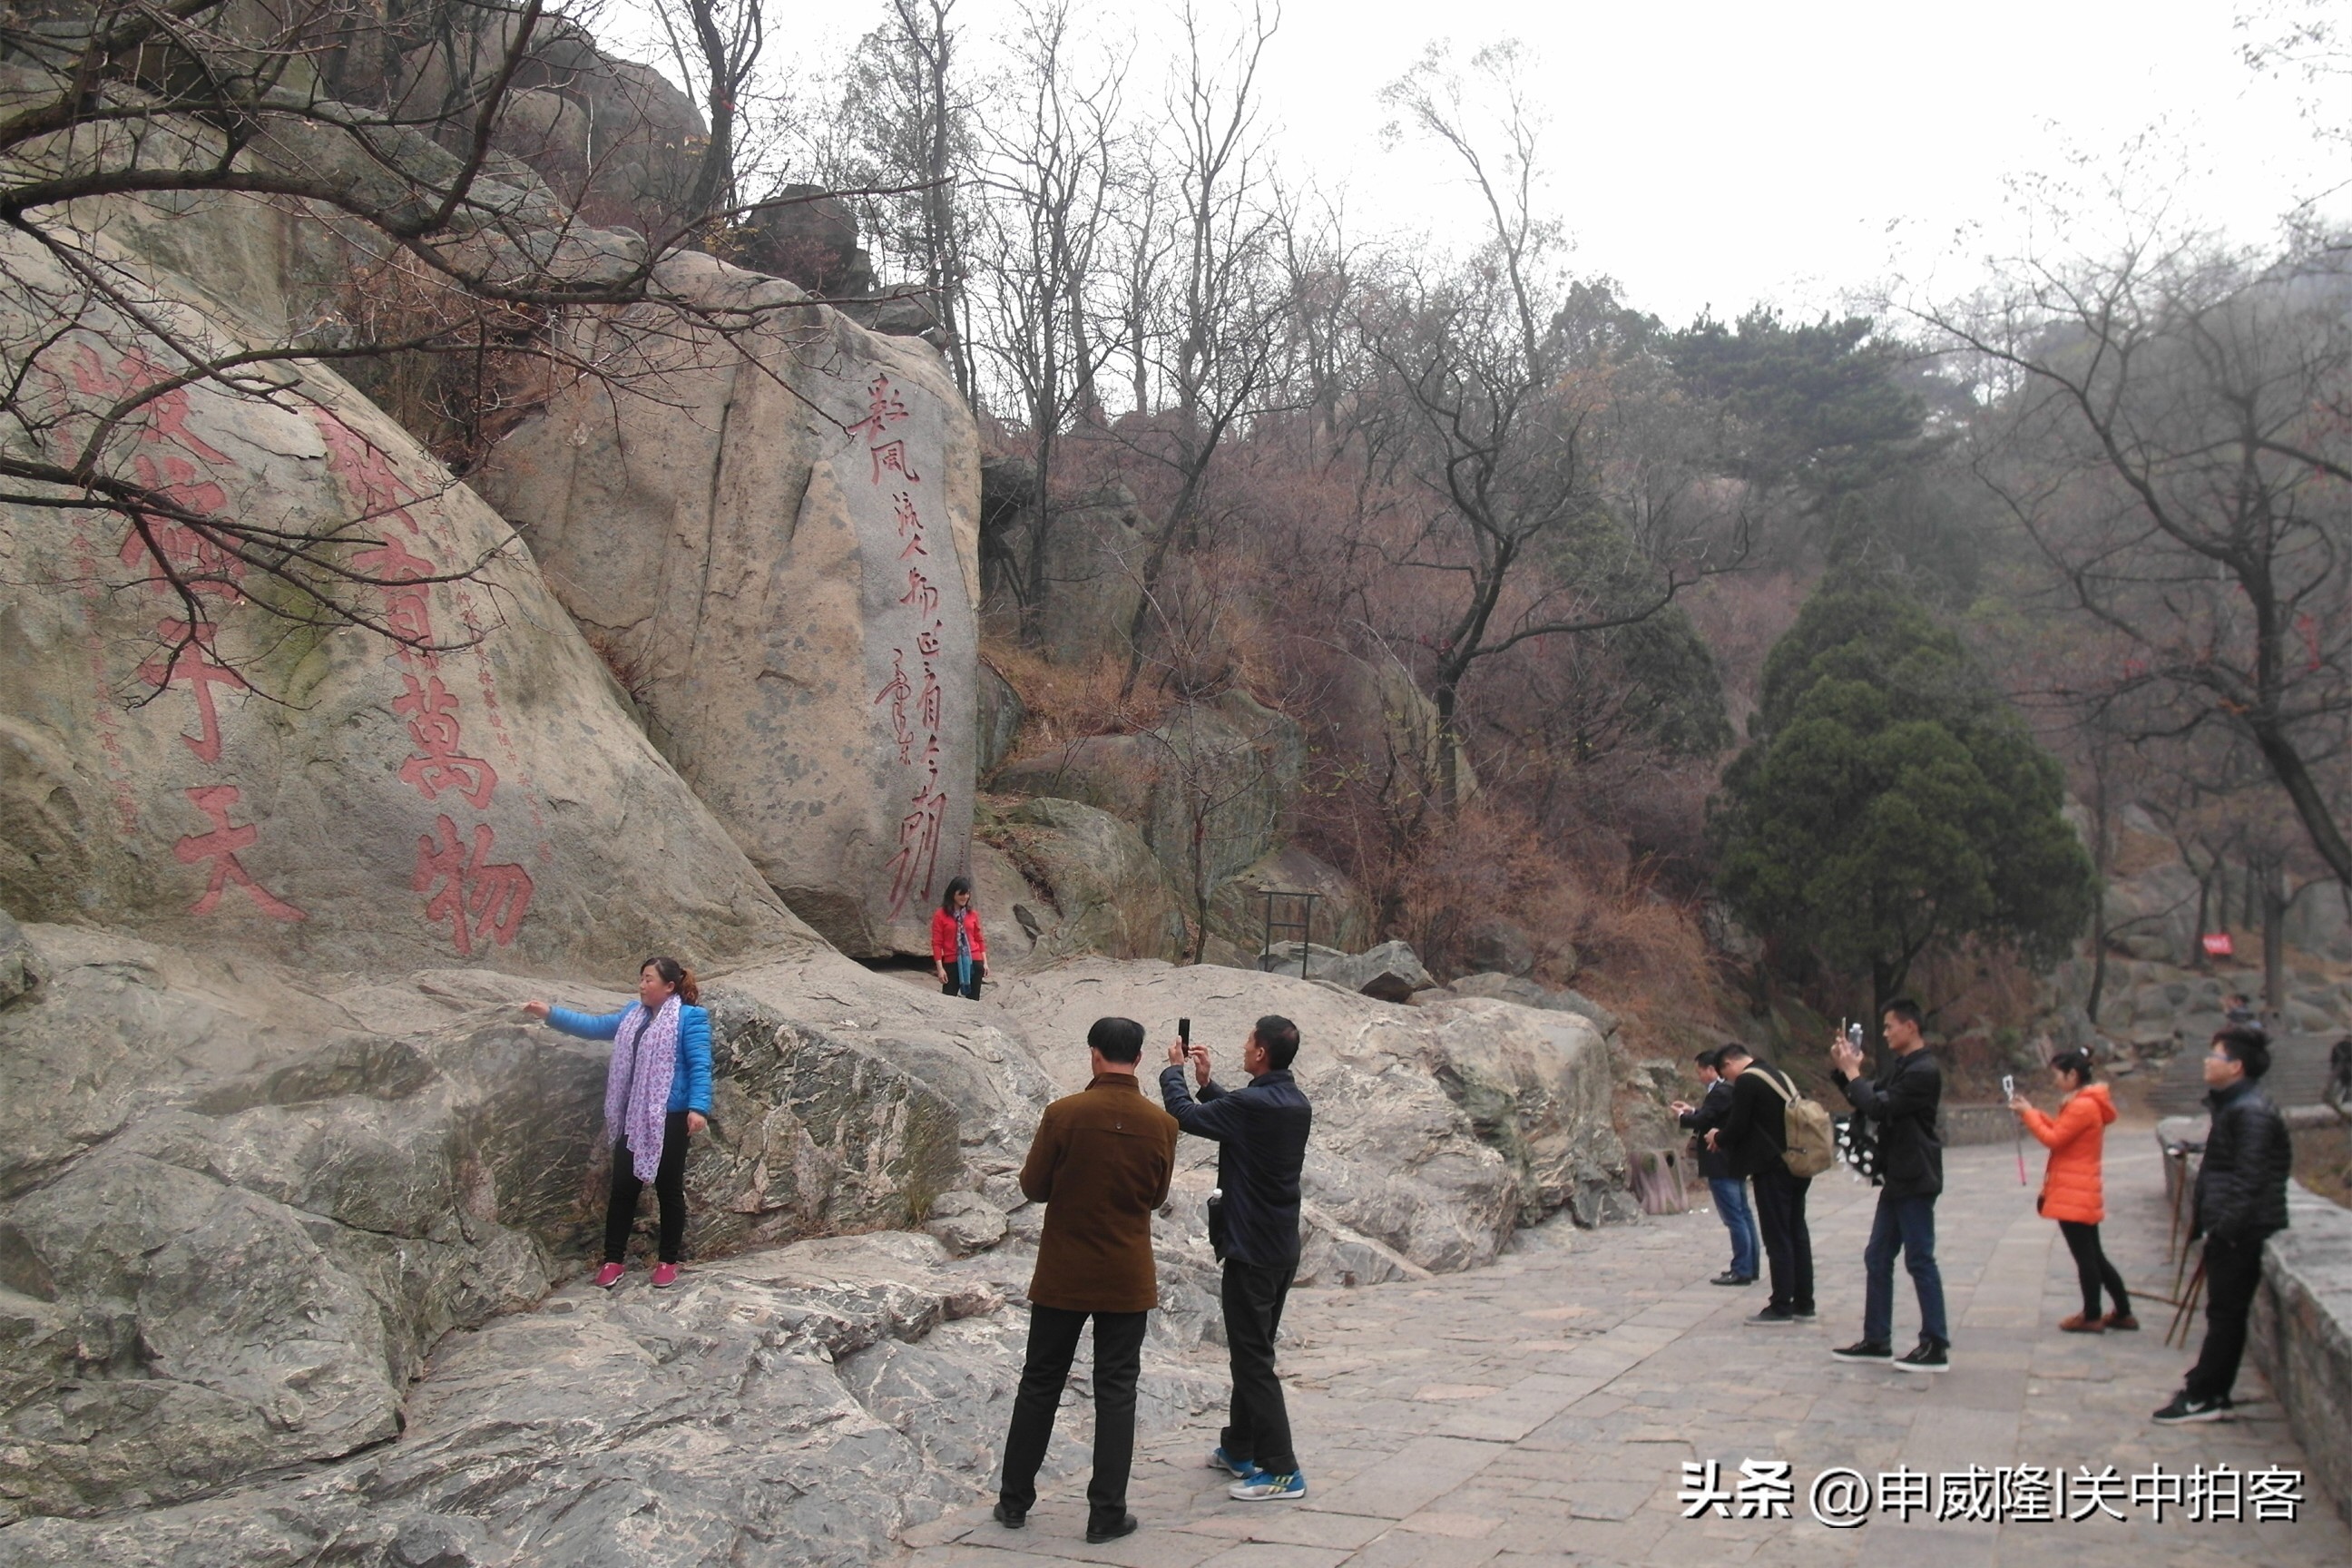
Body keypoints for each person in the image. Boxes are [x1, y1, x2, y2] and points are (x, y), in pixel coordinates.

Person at [995, 1017, 1180, 1543]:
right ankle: (1106, 1514)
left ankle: (1014, 1502)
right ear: (1140, 1059)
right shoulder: (1163, 1125)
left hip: (1063, 1270)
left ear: (1093, 1053)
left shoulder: (1063, 1114)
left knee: (1041, 1381)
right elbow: (1156, 1197)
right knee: (1117, 1390)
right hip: (1127, 1273)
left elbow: (1033, 1186)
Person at [1161, 1014, 1314, 1504]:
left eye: (1249, 1040)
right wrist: (1211, 1086)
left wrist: (1176, 1072)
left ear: (1262, 1052)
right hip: (1280, 1247)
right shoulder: (1294, 1102)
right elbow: (1241, 1115)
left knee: (1253, 1362)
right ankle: (1240, 1448)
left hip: (1250, 1249)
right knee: (1255, 1354)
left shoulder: (1254, 1104)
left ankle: (1282, 1470)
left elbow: (1183, 1116)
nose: (1244, 1046)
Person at [524, 956, 712, 1289]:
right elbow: (594, 1027)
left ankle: (668, 1261)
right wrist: (550, 1014)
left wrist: (697, 1108)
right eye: (640, 979)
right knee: (624, 1188)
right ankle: (613, 1259)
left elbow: (700, 1065)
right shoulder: (631, 1016)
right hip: (633, 1114)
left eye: (648, 980)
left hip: (670, 1114)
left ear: (669, 986)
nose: (642, 985)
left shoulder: (690, 1018)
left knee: (668, 1188)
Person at [2153, 1025, 2293, 1424]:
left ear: (2236, 1066)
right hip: (2231, 1227)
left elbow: (2250, 1181)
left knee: (2226, 1314)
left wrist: (2224, 1231)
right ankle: (2205, 1383)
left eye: (2214, 1055)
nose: (2206, 1061)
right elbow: (2229, 1158)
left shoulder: (2251, 1112)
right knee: (2221, 1311)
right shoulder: (2237, 1107)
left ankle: (2207, 1395)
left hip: (2241, 1231)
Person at [1828, 999, 1950, 1372]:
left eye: (1889, 1026)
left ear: (1910, 1026)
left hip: (1915, 1176)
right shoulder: (1904, 1068)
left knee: (1919, 1259)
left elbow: (1882, 1108)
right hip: (1898, 1176)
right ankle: (1877, 1338)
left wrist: (1853, 1073)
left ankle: (1935, 1344)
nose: (1885, 1033)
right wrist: (1846, 1071)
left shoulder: (1924, 1070)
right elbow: (1868, 1099)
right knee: (1878, 1256)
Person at [2010, 1049, 2135, 1333]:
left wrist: (2029, 1115)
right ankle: (2122, 1311)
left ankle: (2092, 1315)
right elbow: (2061, 1131)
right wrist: (2034, 1112)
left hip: (2073, 1189)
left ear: (2072, 1075)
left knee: (2086, 1258)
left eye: (2057, 1075)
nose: (2054, 1081)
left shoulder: (2082, 1106)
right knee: (2095, 1256)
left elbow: (2053, 1139)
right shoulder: (2084, 1103)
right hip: (2080, 1186)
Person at [1707, 1044, 1814, 1326]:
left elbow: (1738, 1125)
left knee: (1777, 1236)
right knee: (1797, 1232)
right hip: (1796, 1164)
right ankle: (1804, 1302)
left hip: (1772, 1167)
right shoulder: (1779, 1076)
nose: (1729, 1081)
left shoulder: (1748, 1080)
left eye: (1725, 1075)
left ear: (1729, 1064)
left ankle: (1781, 1305)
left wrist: (1718, 1137)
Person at [1671, 1048, 1758, 1287]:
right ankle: (1751, 1264)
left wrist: (1682, 1117)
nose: (1699, 1076)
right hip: (1734, 1160)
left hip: (1721, 1161)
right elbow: (1711, 1116)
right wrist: (1694, 1111)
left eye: (1700, 1071)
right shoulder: (1727, 1091)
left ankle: (1742, 1268)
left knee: (1734, 1217)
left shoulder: (1721, 1092)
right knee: (1744, 1214)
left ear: (1712, 1069)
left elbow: (1704, 1121)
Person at [933, 876, 987, 999]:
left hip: (974, 961)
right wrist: (940, 969)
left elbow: (979, 939)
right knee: (947, 1000)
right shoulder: (940, 915)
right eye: (961, 894)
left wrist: (985, 963)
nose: (965, 897)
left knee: (973, 1003)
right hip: (952, 962)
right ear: (952, 893)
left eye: (967, 894)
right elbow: (937, 943)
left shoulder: (972, 914)